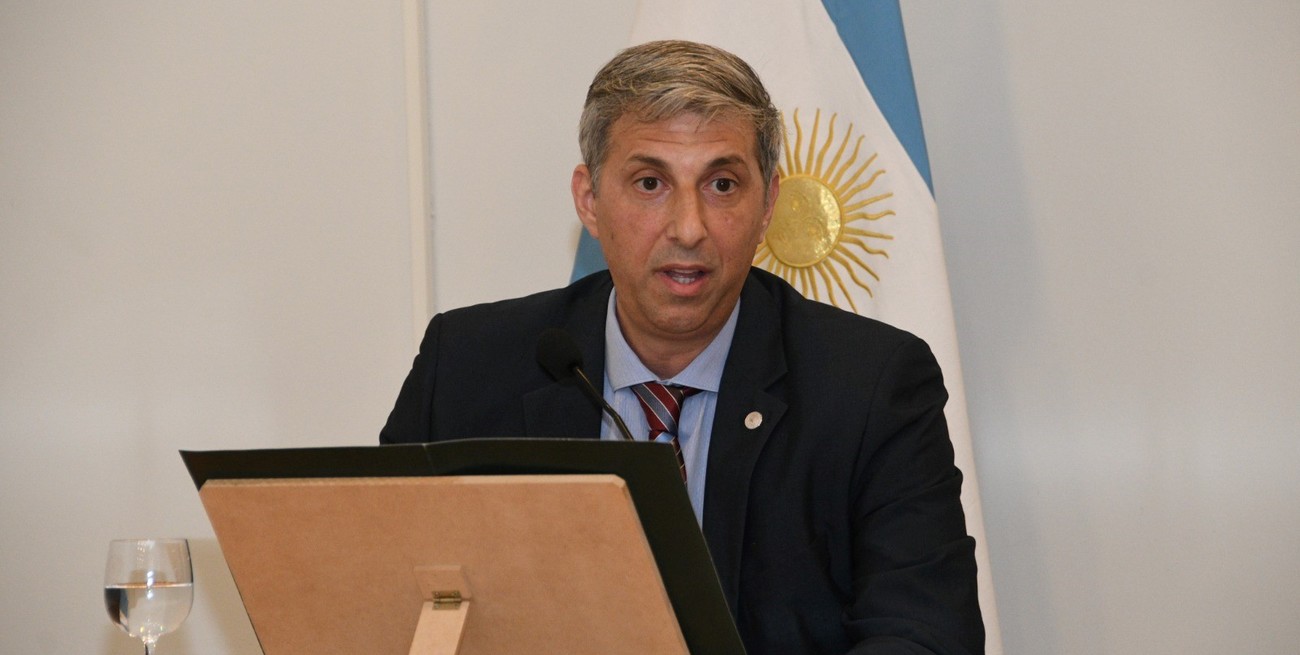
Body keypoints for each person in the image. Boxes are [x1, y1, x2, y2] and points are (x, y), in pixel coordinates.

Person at [381, 39, 984, 655]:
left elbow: (926, 635)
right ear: (590, 200)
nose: (689, 228)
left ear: (768, 204)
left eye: (722, 184)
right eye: (650, 183)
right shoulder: (466, 367)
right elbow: (378, 593)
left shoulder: (871, 387)